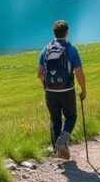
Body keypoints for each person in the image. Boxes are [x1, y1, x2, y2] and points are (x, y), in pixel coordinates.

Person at [37, 20, 86, 159]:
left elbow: (39, 74)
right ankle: (62, 140)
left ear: (54, 33)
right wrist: (83, 89)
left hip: (50, 91)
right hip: (67, 90)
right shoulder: (71, 50)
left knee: (55, 120)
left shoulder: (46, 49)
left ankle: (57, 151)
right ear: (67, 33)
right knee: (71, 117)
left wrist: (48, 85)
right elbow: (79, 72)